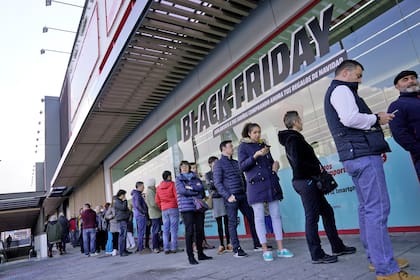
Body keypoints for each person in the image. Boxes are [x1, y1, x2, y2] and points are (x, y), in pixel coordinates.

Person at [324, 59, 417, 280]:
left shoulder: (337, 91)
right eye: (358, 75)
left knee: (368, 209)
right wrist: (377, 118)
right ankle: (387, 269)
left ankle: (378, 259)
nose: (360, 79)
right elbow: (349, 118)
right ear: (345, 73)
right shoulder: (342, 90)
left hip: (356, 156)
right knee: (378, 210)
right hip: (363, 156)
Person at [278, 111, 356, 264]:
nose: (302, 121)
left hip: (306, 180)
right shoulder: (293, 139)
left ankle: (337, 246)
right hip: (305, 181)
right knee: (312, 218)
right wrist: (316, 169)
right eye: (300, 119)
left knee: (327, 211)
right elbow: (298, 163)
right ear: (295, 122)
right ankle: (317, 254)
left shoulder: (294, 138)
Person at [238, 123, 294, 262]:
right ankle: (264, 250)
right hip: (255, 185)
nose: (258, 134)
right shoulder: (243, 147)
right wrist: (255, 155)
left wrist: (274, 167)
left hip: (270, 183)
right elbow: (242, 166)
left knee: (276, 215)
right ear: (249, 134)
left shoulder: (264, 145)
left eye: (259, 131)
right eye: (255, 132)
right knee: (259, 218)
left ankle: (281, 248)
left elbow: (269, 163)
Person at [213, 140, 261, 258]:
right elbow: (217, 183)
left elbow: (242, 178)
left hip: (242, 195)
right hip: (231, 197)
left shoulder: (236, 162)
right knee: (233, 223)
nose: (232, 148)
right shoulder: (218, 164)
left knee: (252, 218)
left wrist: (246, 191)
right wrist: (228, 196)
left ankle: (257, 243)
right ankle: (237, 249)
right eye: (230, 146)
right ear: (223, 149)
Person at [176, 160, 212, 265]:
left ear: (189, 167)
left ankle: (201, 254)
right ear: (180, 169)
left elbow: (201, 188)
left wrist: (191, 188)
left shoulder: (196, 177)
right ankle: (191, 256)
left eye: (186, 166)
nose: (184, 168)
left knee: (200, 230)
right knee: (190, 231)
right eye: (182, 166)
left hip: (198, 207)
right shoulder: (178, 179)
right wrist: (194, 190)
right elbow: (182, 191)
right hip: (186, 208)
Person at [388, 70, 420, 179]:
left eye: (413, 78)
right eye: (405, 79)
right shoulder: (397, 106)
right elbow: (399, 134)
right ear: (397, 86)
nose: (411, 81)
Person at [205, 156, 232, 255]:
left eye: (217, 162)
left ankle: (229, 243)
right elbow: (210, 186)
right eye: (213, 163)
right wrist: (219, 185)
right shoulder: (208, 174)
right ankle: (221, 245)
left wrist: (218, 185)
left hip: (224, 198)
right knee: (219, 223)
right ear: (210, 164)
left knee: (226, 222)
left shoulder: (222, 171)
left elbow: (225, 184)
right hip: (216, 199)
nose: (216, 164)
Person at [191, 162, 214, 250]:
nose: (195, 170)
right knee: (194, 226)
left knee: (201, 225)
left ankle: (203, 242)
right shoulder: (190, 180)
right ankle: (195, 244)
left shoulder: (198, 179)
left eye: (196, 168)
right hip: (194, 204)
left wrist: (205, 197)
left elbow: (202, 189)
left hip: (201, 203)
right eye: (193, 168)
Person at [156, 170, 180, 254]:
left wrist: (162, 206)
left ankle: (166, 248)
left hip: (164, 210)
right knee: (173, 229)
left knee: (165, 229)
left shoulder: (158, 187)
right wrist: (179, 206)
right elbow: (176, 196)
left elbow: (157, 200)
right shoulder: (172, 184)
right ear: (169, 177)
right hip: (173, 208)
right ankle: (174, 247)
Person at [145, 178, 162, 253]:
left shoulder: (151, 190)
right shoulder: (150, 191)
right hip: (155, 213)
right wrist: (160, 207)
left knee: (157, 230)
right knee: (155, 231)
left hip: (155, 213)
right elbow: (153, 203)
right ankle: (155, 247)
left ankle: (158, 245)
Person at [131, 181, 149, 254]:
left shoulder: (135, 194)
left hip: (138, 215)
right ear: (139, 186)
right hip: (141, 215)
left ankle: (140, 247)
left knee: (140, 232)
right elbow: (138, 205)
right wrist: (144, 212)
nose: (144, 188)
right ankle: (141, 248)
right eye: (143, 186)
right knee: (141, 232)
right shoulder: (137, 195)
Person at [114, 189, 131, 257]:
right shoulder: (117, 201)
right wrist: (125, 200)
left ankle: (124, 250)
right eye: (124, 195)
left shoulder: (119, 201)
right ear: (121, 195)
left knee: (124, 236)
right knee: (122, 236)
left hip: (124, 220)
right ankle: (122, 252)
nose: (125, 196)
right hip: (122, 220)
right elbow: (123, 208)